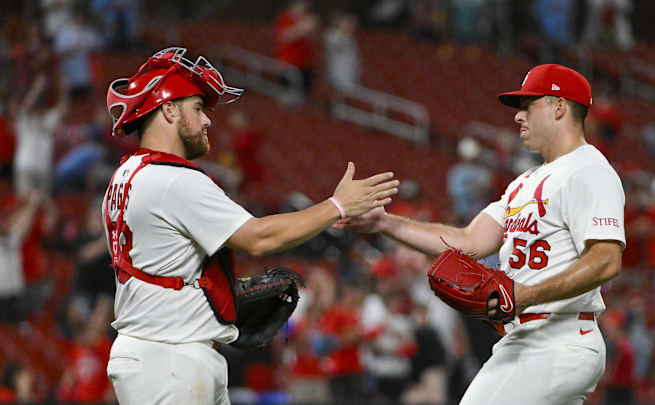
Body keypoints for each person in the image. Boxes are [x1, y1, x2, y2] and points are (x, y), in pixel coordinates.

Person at [102, 47, 399, 405]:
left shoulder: (127, 174)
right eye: (197, 108)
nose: (208, 120)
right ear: (168, 110)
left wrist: (214, 293)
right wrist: (337, 206)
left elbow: (165, 262)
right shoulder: (170, 179)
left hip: (166, 352)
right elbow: (260, 237)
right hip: (168, 358)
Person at [337, 64, 626, 404]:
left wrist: (526, 295)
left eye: (527, 106)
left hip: (556, 337)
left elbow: (606, 260)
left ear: (559, 106)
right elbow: (469, 241)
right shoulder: (524, 183)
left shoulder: (588, 169)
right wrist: (387, 223)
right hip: (529, 338)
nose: (518, 117)